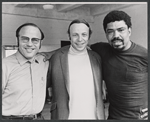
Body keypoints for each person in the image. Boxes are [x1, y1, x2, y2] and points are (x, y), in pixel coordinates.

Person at [90, 10, 148, 120]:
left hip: (139, 118)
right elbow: (79, 47)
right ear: (106, 34)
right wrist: (48, 55)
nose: (116, 35)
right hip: (113, 117)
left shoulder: (144, 55)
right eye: (110, 31)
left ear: (129, 31)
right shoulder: (101, 49)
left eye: (121, 30)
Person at [48, 19, 105, 119]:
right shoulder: (56, 57)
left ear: (89, 36)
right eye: (75, 35)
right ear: (69, 37)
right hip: (65, 117)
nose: (80, 39)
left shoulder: (97, 57)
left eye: (84, 34)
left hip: (94, 117)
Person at [2, 23, 52, 120]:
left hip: (39, 118)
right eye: (25, 39)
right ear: (17, 40)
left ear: (40, 43)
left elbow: (58, 53)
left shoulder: (43, 61)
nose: (29, 44)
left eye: (35, 40)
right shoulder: (4, 65)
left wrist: (82, 49)